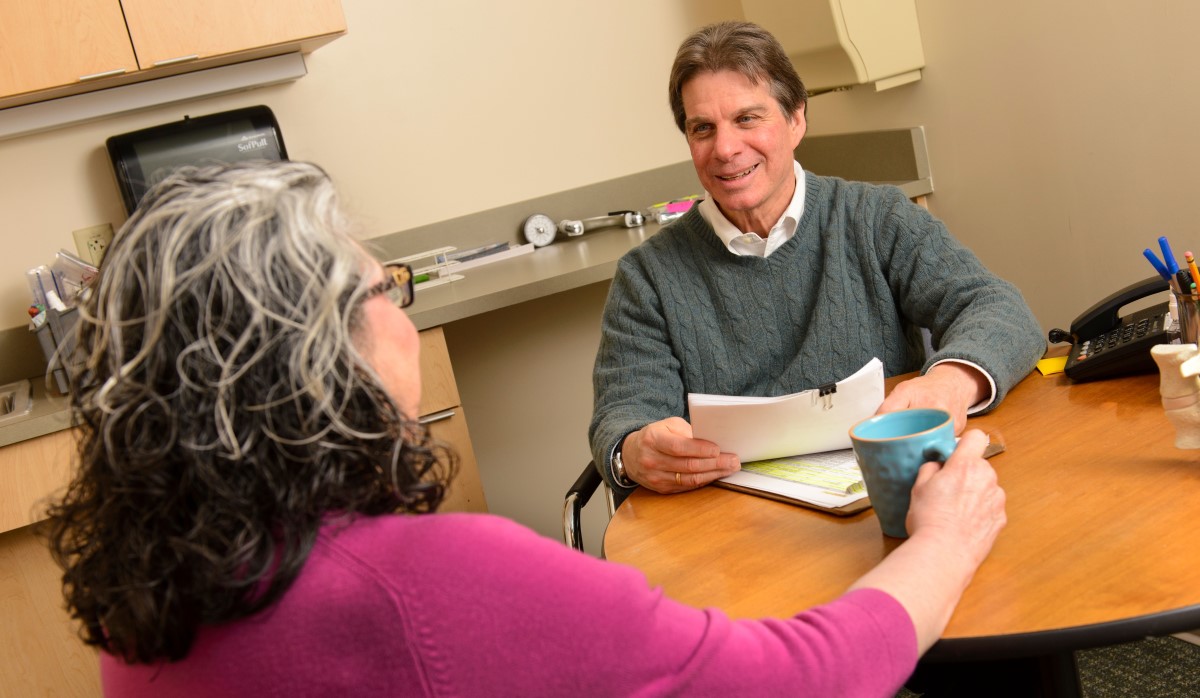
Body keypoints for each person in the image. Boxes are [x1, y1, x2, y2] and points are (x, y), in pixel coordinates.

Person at [47, 161, 1005, 696]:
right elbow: (800, 682)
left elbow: (989, 306)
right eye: (388, 289)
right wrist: (947, 541)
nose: (728, 149)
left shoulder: (150, 608)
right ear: (319, 351)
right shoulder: (440, 583)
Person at [589, 20, 1045, 496]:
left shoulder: (875, 218)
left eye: (747, 118)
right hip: (729, 525)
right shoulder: (647, 277)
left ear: (796, 120)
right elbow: (622, 417)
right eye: (703, 128)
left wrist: (950, 383)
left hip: (885, 495)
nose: (725, 149)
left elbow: (999, 309)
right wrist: (633, 450)